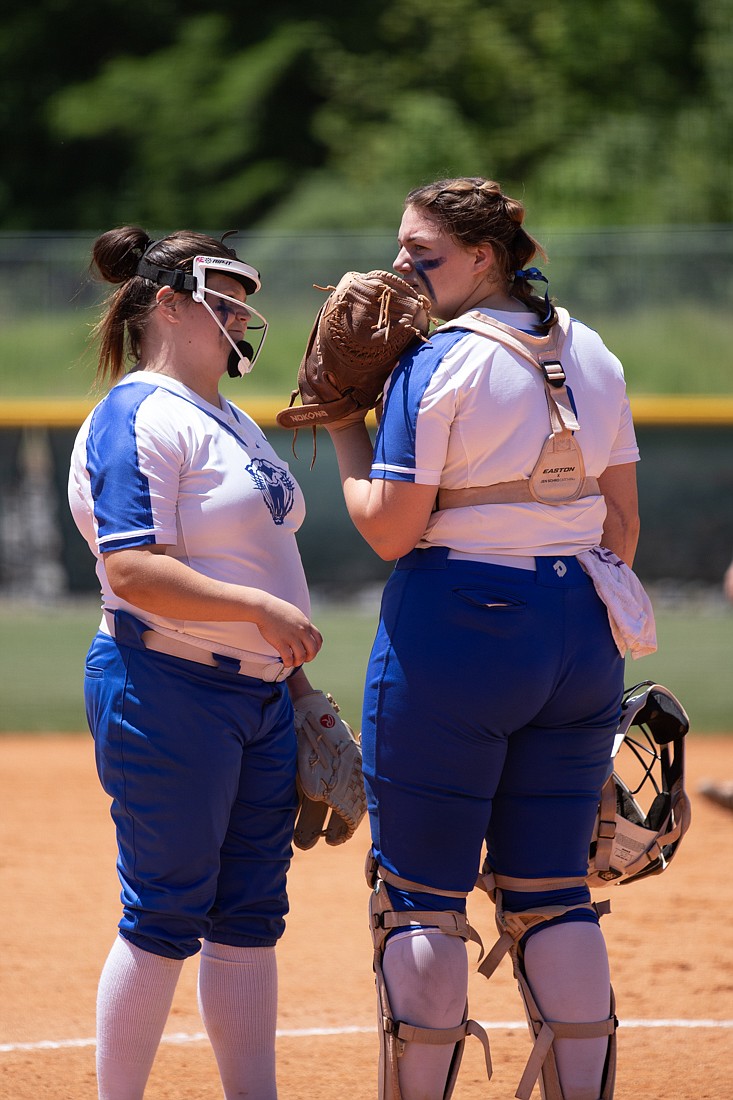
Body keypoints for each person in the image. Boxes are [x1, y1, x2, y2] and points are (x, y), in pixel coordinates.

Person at [324, 177, 646, 1100]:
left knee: (419, 893)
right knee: (552, 888)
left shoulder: (440, 362)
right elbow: (621, 528)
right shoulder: (592, 350)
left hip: (456, 628)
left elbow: (389, 529)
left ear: (484, 258)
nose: (400, 267)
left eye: (421, 254)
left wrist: (347, 425)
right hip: (581, 633)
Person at [67, 227, 324, 1100]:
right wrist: (256, 611)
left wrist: (297, 688)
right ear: (168, 303)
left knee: (249, 917)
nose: (244, 313)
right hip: (167, 683)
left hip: (256, 700)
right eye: (226, 293)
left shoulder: (230, 416)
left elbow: (257, 560)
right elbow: (133, 569)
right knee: (166, 912)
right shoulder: (135, 412)